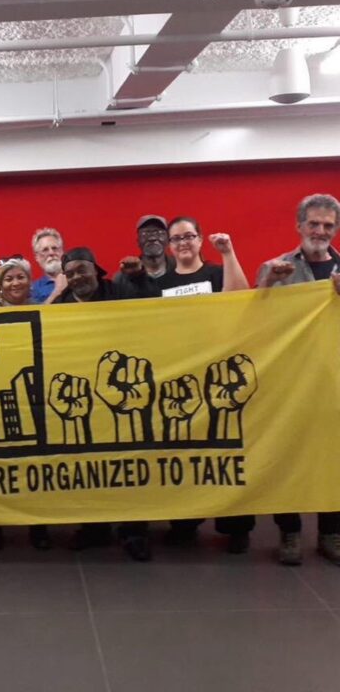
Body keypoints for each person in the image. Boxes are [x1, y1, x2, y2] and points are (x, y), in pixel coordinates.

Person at [51, 246, 155, 561]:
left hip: (123, 391)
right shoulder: (60, 305)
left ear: (95, 269)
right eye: (70, 273)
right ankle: (94, 528)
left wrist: (140, 277)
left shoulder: (119, 291)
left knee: (128, 463)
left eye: (81, 270)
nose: (76, 277)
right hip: (84, 396)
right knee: (88, 465)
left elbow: (153, 308)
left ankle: (134, 531)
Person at [156, 217, 253, 553]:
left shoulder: (215, 273)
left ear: (199, 240)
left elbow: (240, 299)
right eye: (176, 238)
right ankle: (185, 523)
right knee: (184, 451)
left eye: (189, 236)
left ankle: (237, 527)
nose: (183, 242)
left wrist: (228, 252)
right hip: (180, 378)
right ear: (169, 246)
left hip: (220, 374)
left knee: (228, 448)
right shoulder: (162, 283)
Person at [256, 192, 340, 566]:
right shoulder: (275, 268)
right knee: (287, 456)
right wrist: (267, 284)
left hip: (334, 381)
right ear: (299, 226)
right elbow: (252, 319)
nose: (320, 231)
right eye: (314, 223)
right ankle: (289, 532)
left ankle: (331, 533)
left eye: (328, 225)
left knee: (334, 458)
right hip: (290, 381)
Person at [0, 257, 52, 551]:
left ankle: (38, 525)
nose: (15, 283)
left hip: (31, 392)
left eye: (20, 277)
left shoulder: (41, 306)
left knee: (33, 462)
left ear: (29, 281)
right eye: (8, 278)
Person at [113, 215, 174, 291]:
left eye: (159, 233)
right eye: (145, 233)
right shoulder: (122, 279)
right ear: (138, 241)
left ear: (168, 240)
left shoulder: (181, 269)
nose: (152, 238)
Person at [29, 228, 65, 304]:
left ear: (62, 252)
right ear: (37, 257)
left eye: (55, 248)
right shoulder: (34, 289)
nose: (51, 253)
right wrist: (57, 291)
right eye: (45, 250)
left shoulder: (76, 278)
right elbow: (36, 311)